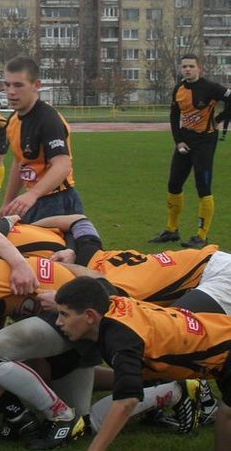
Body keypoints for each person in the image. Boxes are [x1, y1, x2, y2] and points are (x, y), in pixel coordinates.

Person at [53, 276, 231, 451]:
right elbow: (98, 282)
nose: (58, 322)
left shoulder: (121, 341)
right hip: (221, 333)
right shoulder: (112, 302)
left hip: (225, 352)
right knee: (226, 414)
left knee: (227, 414)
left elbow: (126, 401)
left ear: (90, 316)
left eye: (64, 314)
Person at [149, 54, 231, 249]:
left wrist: (219, 119)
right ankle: (171, 230)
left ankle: (202, 236)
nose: (187, 69)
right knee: (174, 184)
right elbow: (173, 116)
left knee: (203, 187)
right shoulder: (178, 88)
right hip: (185, 140)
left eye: (191, 66)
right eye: (184, 66)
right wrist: (178, 141)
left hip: (205, 141)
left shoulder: (210, 87)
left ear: (199, 68)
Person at [0, 56, 83, 222]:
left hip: (59, 201)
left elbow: (63, 165)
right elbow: (20, 164)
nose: (11, 92)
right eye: (7, 85)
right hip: (33, 200)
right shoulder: (14, 120)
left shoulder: (48, 119)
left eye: (18, 85)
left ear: (36, 85)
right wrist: (8, 203)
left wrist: (33, 194)